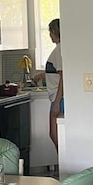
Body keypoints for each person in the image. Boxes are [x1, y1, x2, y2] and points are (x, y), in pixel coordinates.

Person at [34, 19, 64, 152]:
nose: (50, 35)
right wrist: (42, 75)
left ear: (55, 31)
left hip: (59, 98)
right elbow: (57, 73)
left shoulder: (60, 50)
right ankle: (61, 168)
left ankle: (62, 169)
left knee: (56, 135)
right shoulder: (60, 49)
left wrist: (57, 102)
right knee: (57, 135)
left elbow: (63, 76)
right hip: (58, 97)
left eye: (50, 32)